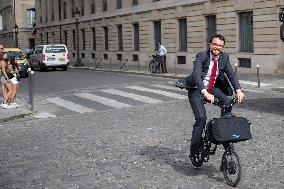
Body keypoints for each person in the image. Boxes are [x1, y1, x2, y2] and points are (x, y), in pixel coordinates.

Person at [186, 34, 244, 168]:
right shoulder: (202, 56)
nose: (217, 47)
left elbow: (231, 74)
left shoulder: (224, 57)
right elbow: (196, 75)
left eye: (220, 45)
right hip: (197, 89)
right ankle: (194, 151)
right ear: (210, 44)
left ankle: (223, 133)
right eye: (215, 44)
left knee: (228, 103)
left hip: (212, 88)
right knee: (201, 119)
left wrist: (238, 90)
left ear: (222, 47)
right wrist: (204, 92)